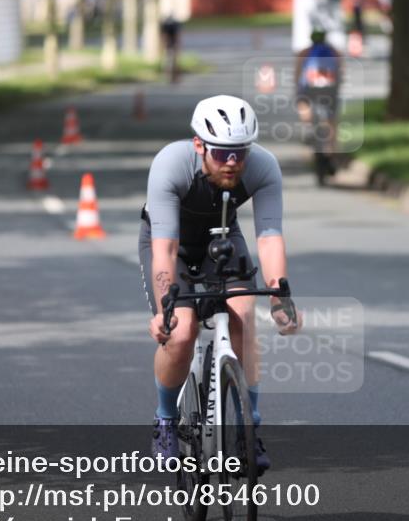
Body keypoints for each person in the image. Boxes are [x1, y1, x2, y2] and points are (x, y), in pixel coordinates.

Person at [140, 95, 301, 471]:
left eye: (240, 153)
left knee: (245, 316)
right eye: (221, 152)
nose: (232, 162)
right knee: (182, 333)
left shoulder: (263, 167)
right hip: (170, 243)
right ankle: (165, 419)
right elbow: (165, 249)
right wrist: (167, 308)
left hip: (222, 239)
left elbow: (269, 237)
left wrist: (281, 298)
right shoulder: (170, 164)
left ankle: (249, 429)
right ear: (199, 145)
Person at [294, 29, 343, 179]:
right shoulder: (334, 52)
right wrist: (336, 88)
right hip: (329, 89)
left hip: (309, 88)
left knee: (302, 101)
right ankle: (331, 153)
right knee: (331, 121)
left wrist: (297, 90)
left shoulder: (304, 52)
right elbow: (340, 72)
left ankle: (308, 126)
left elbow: (297, 73)